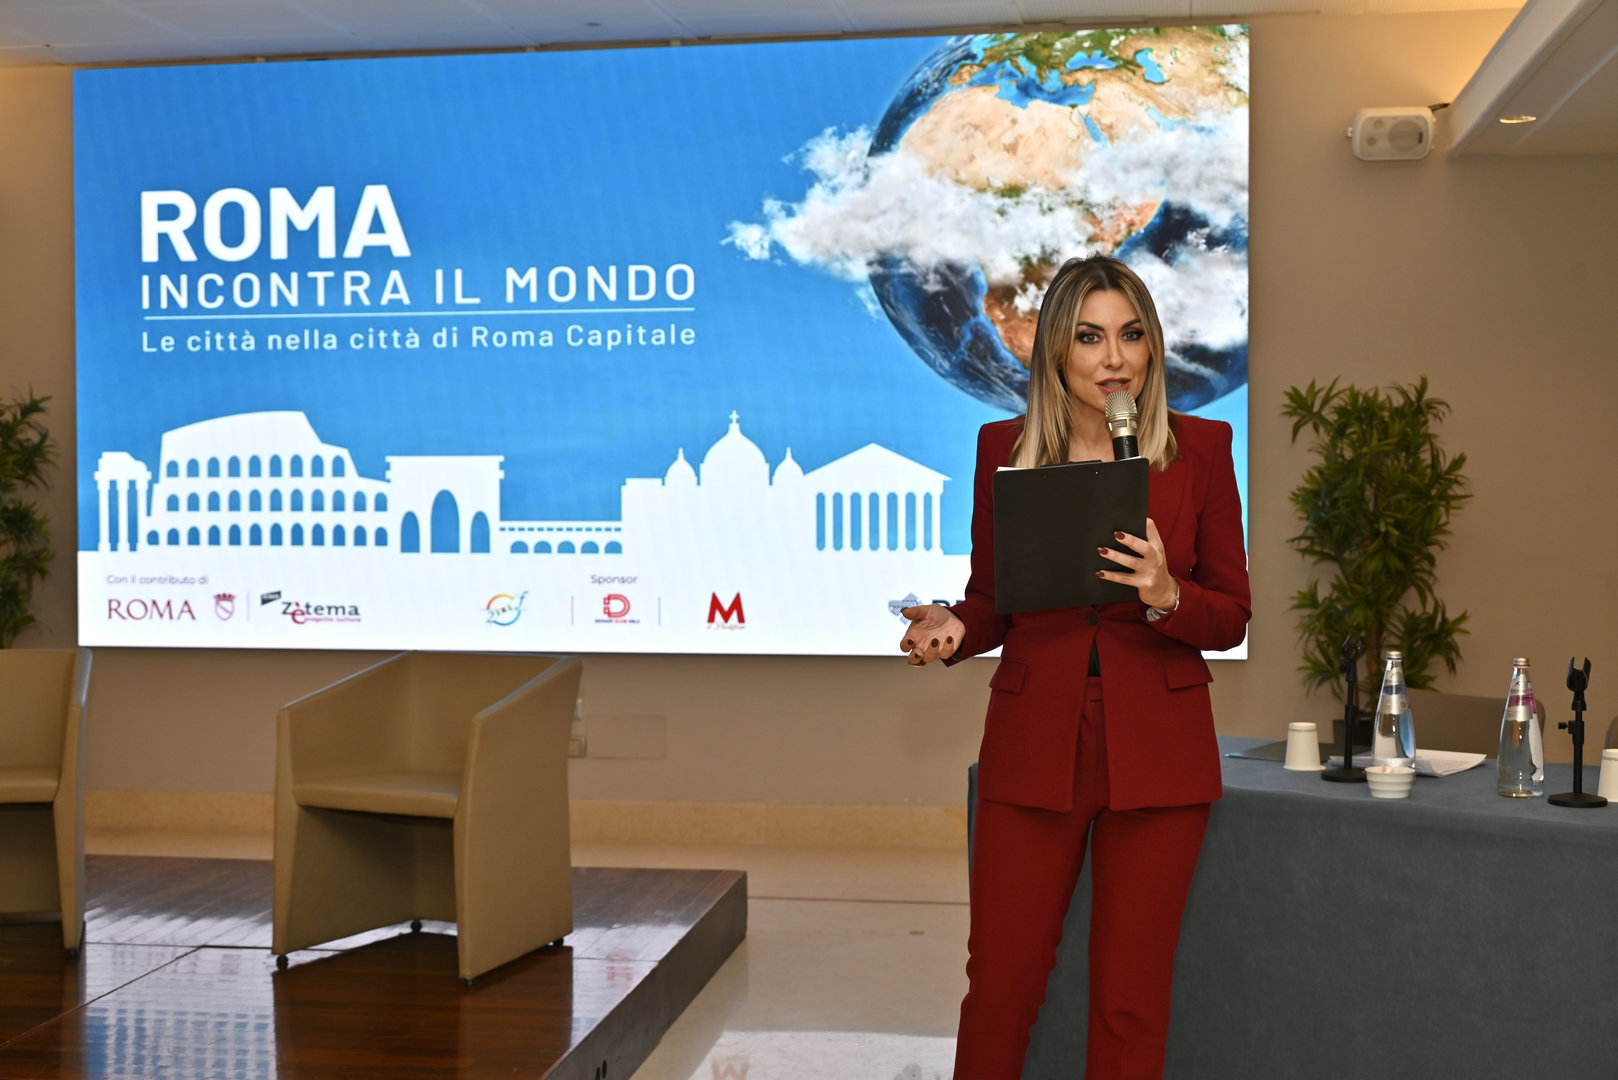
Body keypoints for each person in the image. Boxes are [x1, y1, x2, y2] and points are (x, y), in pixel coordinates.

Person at [900, 254, 1250, 1080]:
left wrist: (1167, 595)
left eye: (1132, 335)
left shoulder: (1201, 448)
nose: (1115, 358)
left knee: (1131, 999)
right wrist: (954, 625)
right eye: (1090, 338)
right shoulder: (1004, 447)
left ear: (1154, 345)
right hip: (1035, 739)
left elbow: (1232, 615)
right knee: (1003, 984)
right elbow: (994, 598)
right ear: (1056, 348)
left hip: (1159, 746)